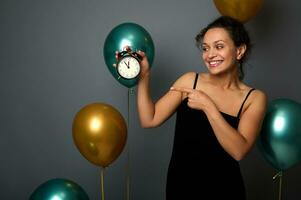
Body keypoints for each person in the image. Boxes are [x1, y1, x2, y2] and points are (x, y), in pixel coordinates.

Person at [136, 16, 267, 199]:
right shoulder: (190, 81)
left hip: (225, 190)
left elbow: (239, 151)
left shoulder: (254, 98)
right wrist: (144, 76)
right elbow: (149, 119)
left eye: (219, 46)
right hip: (181, 187)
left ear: (239, 51)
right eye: (205, 48)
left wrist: (208, 106)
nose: (210, 54)